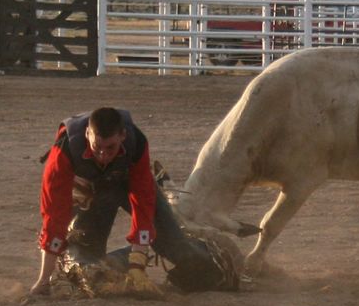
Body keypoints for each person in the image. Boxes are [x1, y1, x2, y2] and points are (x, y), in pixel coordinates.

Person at [30, 107, 237, 296]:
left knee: (180, 251)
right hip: (94, 193)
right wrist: (43, 281)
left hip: (129, 182)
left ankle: (210, 250)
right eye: (97, 147)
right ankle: (123, 259)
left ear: (123, 136)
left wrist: (138, 265)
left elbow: (143, 202)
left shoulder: (136, 144)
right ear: (87, 135)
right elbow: (54, 215)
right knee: (87, 269)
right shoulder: (64, 152)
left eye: (110, 148)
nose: (103, 155)